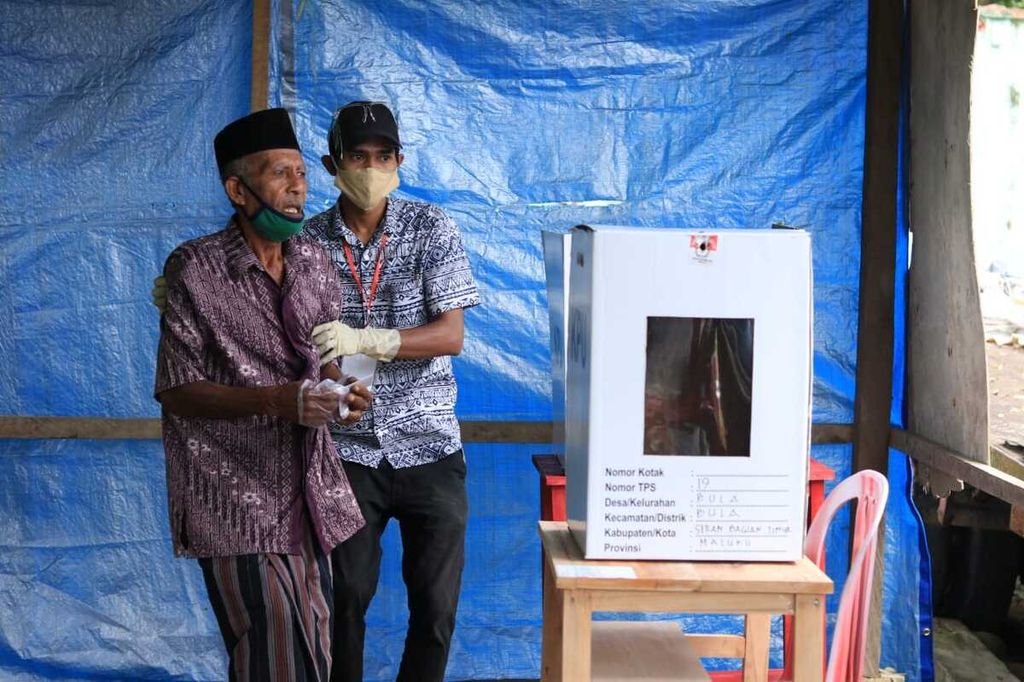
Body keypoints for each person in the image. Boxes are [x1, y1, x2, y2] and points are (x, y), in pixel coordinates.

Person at [155, 107, 372, 681]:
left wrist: (348, 390)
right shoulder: (195, 268)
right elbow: (177, 390)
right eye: (280, 173)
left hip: (313, 493)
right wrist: (281, 401)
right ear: (238, 189)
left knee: (318, 647)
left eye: (301, 173)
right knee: (275, 649)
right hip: (233, 497)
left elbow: (330, 364)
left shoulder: (315, 263)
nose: (298, 186)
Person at [305, 100, 480, 682]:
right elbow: (287, 330)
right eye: (358, 156)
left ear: (400, 161)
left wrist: (373, 339)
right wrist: (188, 285)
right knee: (344, 599)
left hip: (430, 445)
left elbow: (450, 335)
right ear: (333, 164)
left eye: (383, 156)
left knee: (435, 607)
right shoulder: (308, 243)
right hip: (348, 448)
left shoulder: (431, 227)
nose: (371, 167)